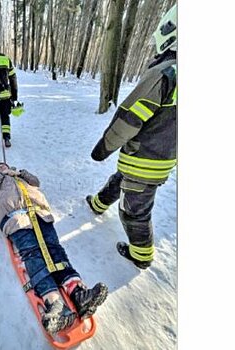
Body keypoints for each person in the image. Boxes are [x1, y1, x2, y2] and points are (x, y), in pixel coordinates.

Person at [86, 4, 177, 270]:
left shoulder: (167, 73)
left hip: (145, 158)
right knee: (121, 180)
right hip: (160, 159)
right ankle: (98, 203)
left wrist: (103, 148)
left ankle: (142, 255)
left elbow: (130, 117)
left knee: (133, 211)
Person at [0, 162, 108, 335]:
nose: (4, 166)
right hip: (15, 218)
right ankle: (55, 304)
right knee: (32, 252)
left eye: (5, 164)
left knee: (55, 249)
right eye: (0, 166)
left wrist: (18, 172)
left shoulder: (20, 175)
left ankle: (78, 293)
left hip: (39, 214)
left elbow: (36, 182)